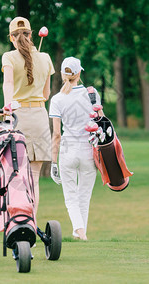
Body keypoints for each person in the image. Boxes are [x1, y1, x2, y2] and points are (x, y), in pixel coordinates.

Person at [1, 16, 55, 215]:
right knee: (33, 178)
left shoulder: (8, 57)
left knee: (13, 177)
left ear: (11, 38)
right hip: (40, 117)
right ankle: (31, 224)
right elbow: (46, 95)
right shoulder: (46, 58)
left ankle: (12, 223)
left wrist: (8, 108)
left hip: (18, 117)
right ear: (31, 35)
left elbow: (8, 84)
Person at [49, 57, 103, 240]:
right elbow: (101, 120)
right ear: (79, 73)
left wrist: (52, 163)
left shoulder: (57, 99)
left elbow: (56, 135)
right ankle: (81, 232)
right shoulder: (92, 93)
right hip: (89, 150)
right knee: (83, 197)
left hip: (67, 151)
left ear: (63, 74)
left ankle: (80, 233)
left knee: (71, 197)